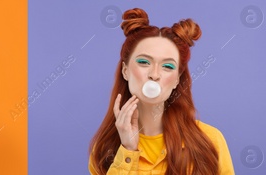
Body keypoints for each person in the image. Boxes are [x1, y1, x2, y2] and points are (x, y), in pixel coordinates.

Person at [86, 8, 234, 175]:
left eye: (167, 66)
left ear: (177, 78)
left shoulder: (210, 140)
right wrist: (128, 150)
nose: (154, 74)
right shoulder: (105, 149)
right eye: (144, 62)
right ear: (125, 70)